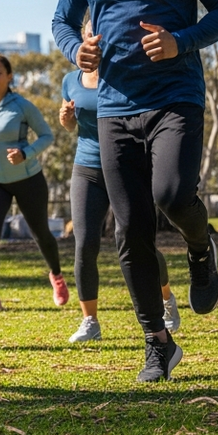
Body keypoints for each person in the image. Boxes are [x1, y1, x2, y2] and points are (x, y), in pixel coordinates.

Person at [52, 0, 218, 382]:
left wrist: (180, 41)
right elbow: (62, 21)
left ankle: (201, 248)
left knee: (172, 195)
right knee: (130, 230)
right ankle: (157, 342)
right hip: (113, 108)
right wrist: (76, 51)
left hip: (174, 98)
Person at [58, 23, 180, 342]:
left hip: (126, 165)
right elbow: (73, 127)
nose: (94, 37)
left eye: (100, 30)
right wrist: (67, 121)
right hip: (86, 166)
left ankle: (166, 298)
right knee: (85, 244)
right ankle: (90, 321)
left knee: (138, 240)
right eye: (89, 32)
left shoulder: (125, 72)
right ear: (83, 38)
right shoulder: (70, 80)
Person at [0, 54, 68, 313]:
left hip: (28, 179)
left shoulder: (22, 106)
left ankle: (56, 276)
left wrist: (25, 153)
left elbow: (46, 135)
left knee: (41, 232)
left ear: (9, 77)